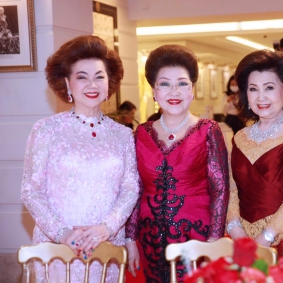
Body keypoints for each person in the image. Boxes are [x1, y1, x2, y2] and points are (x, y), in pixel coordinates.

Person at [21, 35, 140, 282]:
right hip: (59, 247)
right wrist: (63, 233)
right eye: (81, 77)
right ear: (67, 83)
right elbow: (31, 191)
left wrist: (106, 228)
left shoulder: (123, 135)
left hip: (107, 245)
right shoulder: (46, 130)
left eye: (99, 77)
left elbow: (130, 189)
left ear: (110, 83)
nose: (92, 85)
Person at [125, 44, 230, 282]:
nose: (174, 91)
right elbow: (135, 189)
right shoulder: (140, 133)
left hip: (196, 235)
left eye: (182, 83)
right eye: (164, 83)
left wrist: (214, 242)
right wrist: (130, 239)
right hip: (149, 236)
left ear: (192, 89)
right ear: (154, 90)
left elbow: (220, 189)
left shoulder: (208, 131)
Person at [226, 50, 283, 271]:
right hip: (244, 241)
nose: (261, 97)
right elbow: (231, 188)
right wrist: (235, 229)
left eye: (269, 88)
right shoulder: (240, 137)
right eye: (253, 89)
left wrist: (266, 237)